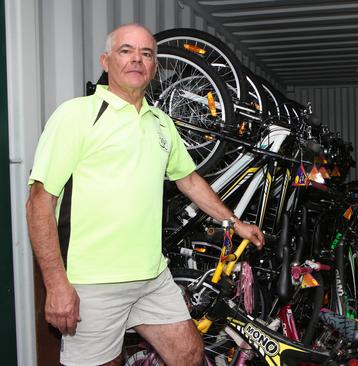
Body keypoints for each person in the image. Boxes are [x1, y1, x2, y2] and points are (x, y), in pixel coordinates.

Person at [25, 23, 265, 366]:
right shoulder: (77, 115)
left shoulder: (161, 123)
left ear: (154, 66)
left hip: (152, 275)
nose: (137, 60)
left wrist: (234, 222)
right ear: (106, 61)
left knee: (189, 353)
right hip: (93, 283)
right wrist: (56, 284)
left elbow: (189, 180)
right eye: (126, 51)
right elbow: (38, 203)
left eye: (147, 54)